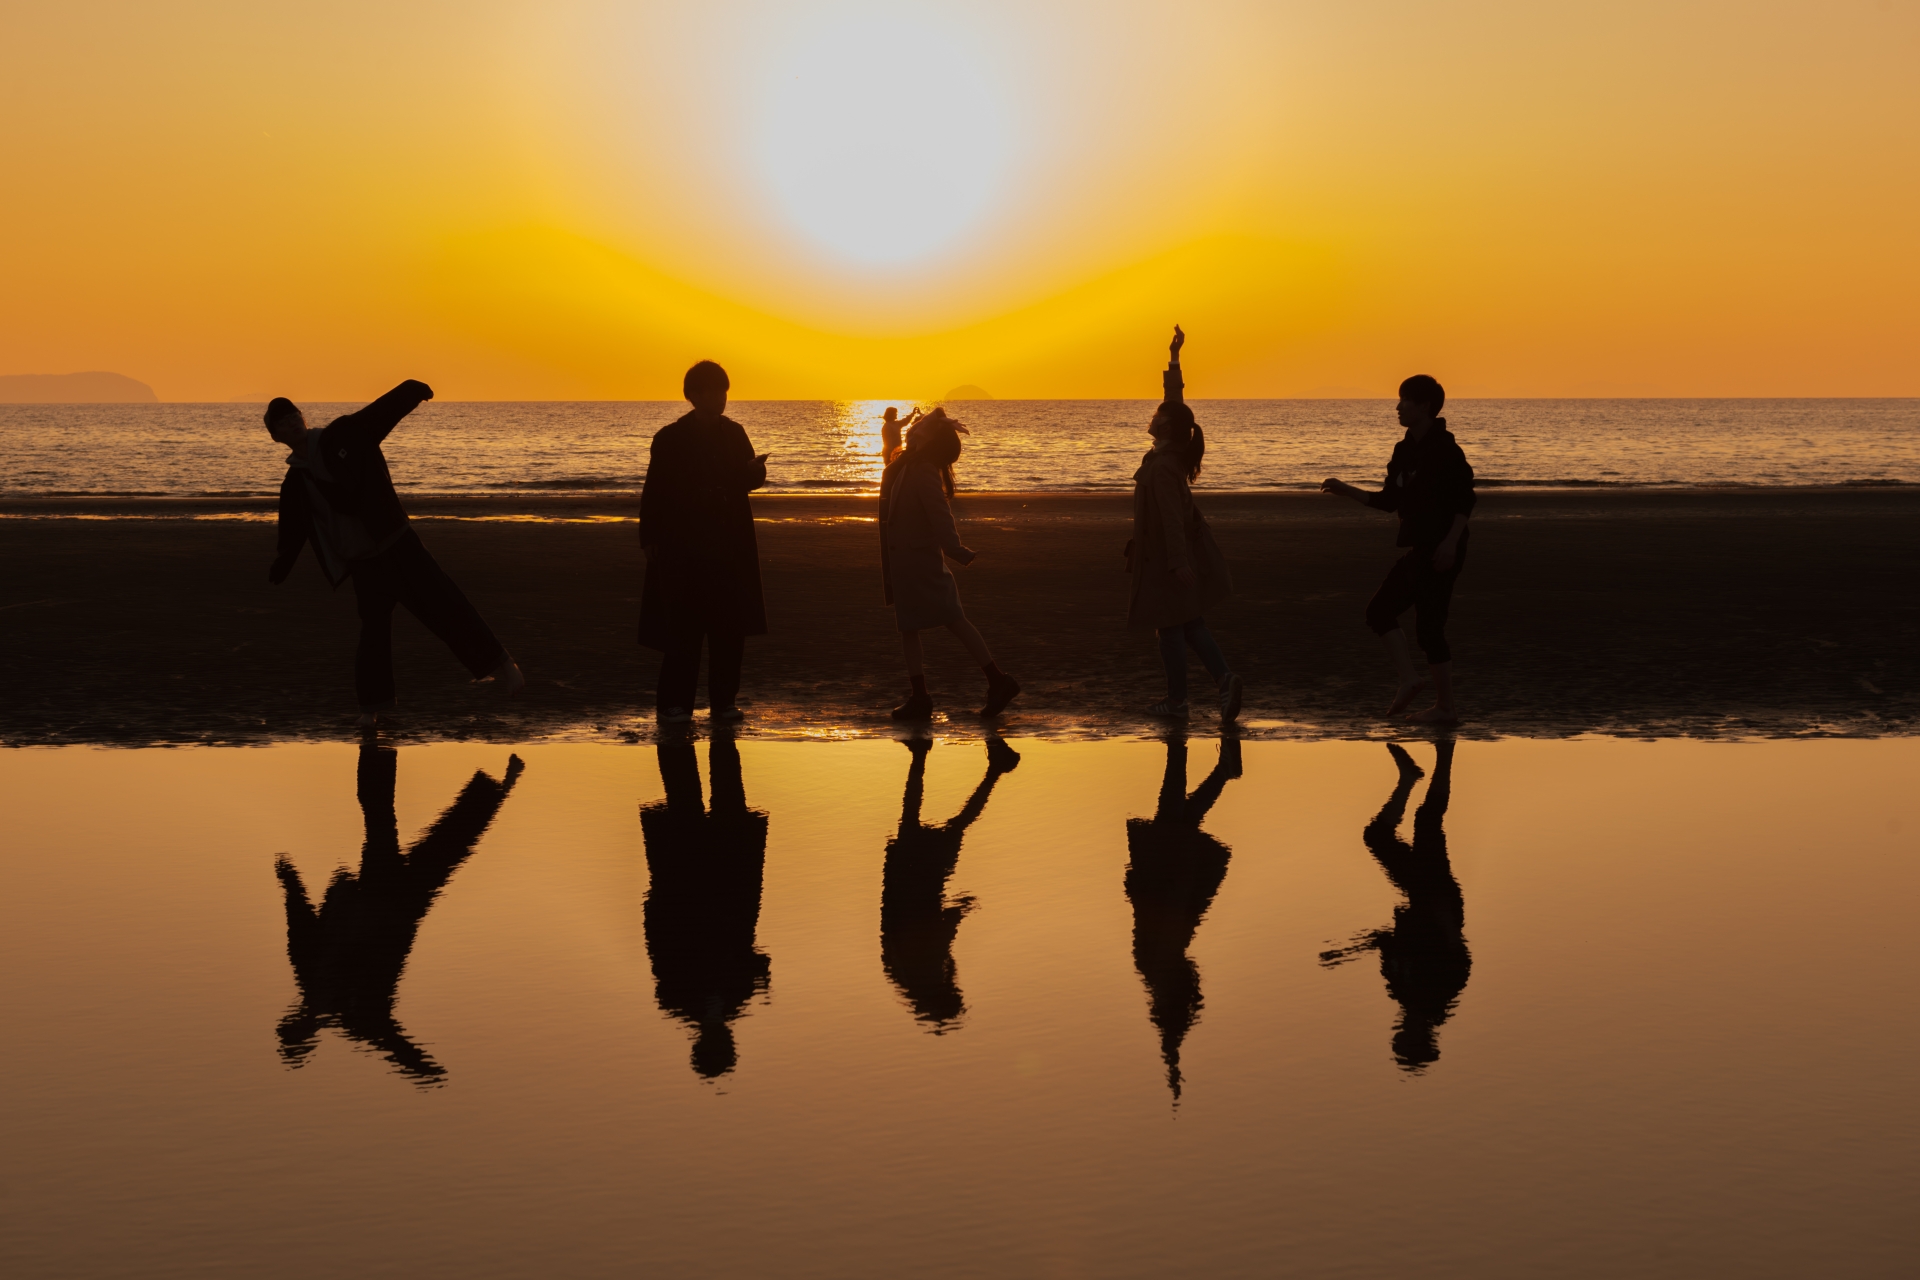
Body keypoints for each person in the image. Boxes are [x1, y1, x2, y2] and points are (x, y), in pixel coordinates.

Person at [264, 382, 524, 730]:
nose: (291, 423)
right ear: (275, 436)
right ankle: (370, 709)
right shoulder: (295, 482)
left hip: (397, 545)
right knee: (372, 634)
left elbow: (378, 416)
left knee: (446, 607)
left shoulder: (342, 435)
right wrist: (283, 561)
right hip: (363, 564)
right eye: (282, 422)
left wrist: (411, 391)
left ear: (303, 417)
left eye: (294, 415)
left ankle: (506, 668)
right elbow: (294, 528)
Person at [275, 743, 524, 1085]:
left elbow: (300, 923)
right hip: (397, 912)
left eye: (291, 1025)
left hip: (376, 895)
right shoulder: (355, 1018)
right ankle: (501, 784)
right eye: (298, 1030)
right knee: (448, 843)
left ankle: (381, 750)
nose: (298, 1021)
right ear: (309, 1035)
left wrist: (289, 880)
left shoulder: (311, 979)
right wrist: (420, 1070)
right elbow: (388, 1040)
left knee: (384, 820)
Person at [1321, 375, 1475, 723]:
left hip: (1443, 549)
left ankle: (1445, 708)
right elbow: (1390, 501)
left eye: (1404, 401)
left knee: (1429, 628)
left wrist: (1451, 544)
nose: (1398, 407)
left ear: (1425, 406)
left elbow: (1466, 500)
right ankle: (1410, 680)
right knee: (1379, 612)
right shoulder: (1404, 450)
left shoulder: (1446, 449)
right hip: (1420, 548)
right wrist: (1348, 490)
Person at [1318, 741, 1470, 1071]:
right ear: (1423, 1036)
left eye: (1397, 1037)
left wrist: (1346, 951)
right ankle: (1444, 755)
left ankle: (1409, 778)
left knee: (1377, 836)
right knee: (1427, 821)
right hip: (1435, 898)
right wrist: (1440, 905)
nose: (1398, 1031)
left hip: (1418, 895)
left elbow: (1384, 940)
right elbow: (1455, 943)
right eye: (1404, 1037)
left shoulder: (1401, 991)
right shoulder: (1442, 993)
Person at [638, 360, 769, 725]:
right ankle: (673, 704)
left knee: (730, 627)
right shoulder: (670, 438)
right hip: (683, 543)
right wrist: (648, 536)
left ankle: (723, 702)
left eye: (722, 390)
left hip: (730, 541)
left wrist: (756, 473)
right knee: (683, 628)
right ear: (692, 395)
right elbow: (655, 491)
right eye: (710, 390)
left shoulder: (735, 432)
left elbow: (745, 480)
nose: (718, 397)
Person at [640, 730, 772, 1079]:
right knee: (712, 799)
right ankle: (706, 742)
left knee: (695, 800)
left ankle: (694, 742)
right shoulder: (688, 998)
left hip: (695, 889)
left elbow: (659, 939)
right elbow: (752, 954)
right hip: (716, 889)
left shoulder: (677, 997)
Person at [1128, 326, 1244, 721]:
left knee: (1171, 629)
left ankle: (1180, 700)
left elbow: (1174, 520)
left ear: (1164, 428)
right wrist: (1175, 358)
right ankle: (1222, 681)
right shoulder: (1171, 449)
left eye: (1157, 415)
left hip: (1166, 558)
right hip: (1169, 555)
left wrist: (1178, 562)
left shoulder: (1162, 466)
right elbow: (1175, 404)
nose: (1154, 414)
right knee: (1189, 622)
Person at [879, 407, 1020, 720]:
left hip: (918, 561)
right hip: (907, 559)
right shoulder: (909, 463)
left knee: (947, 619)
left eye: (919, 429)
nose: (913, 430)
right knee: (921, 625)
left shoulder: (922, 468)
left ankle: (994, 681)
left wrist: (956, 550)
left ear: (927, 440)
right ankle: (926, 695)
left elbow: (939, 515)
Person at [1124, 731, 1242, 1100]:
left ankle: (1215, 767)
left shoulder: (1157, 965)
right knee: (1173, 812)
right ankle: (1182, 751)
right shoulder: (1156, 963)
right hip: (1167, 880)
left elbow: (1146, 916)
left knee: (1179, 816)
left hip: (1166, 881)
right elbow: (1157, 912)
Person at [880, 735, 1021, 1032]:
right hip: (902, 878)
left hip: (924, 880)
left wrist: (963, 909)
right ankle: (920, 756)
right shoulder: (898, 974)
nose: (957, 988)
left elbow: (943, 928)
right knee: (911, 814)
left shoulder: (924, 972)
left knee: (959, 824)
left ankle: (994, 771)